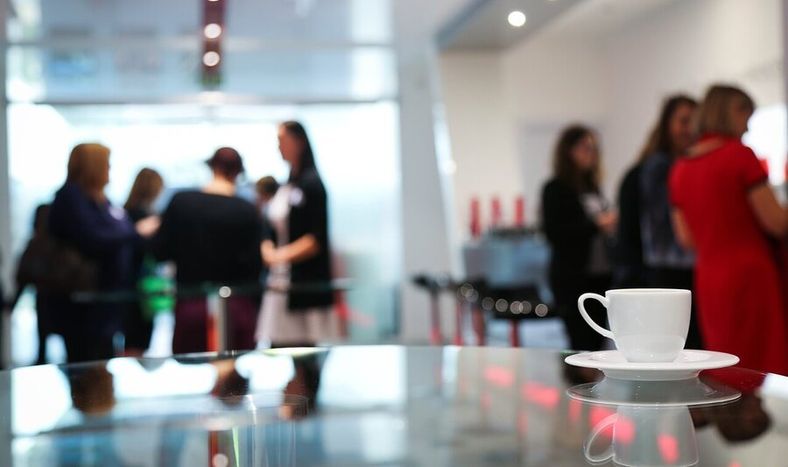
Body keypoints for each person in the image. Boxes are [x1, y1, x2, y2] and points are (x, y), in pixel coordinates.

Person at [670, 84, 788, 375]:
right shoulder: (739, 156)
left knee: (725, 366)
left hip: (710, 277)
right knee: (763, 366)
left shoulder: (681, 169)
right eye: (746, 114)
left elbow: (686, 238)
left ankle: (729, 421)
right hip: (750, 275)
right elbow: (776, 222)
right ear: (732, 111)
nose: (747, 126)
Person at [151, 147, 263, 354]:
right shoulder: (246, 210)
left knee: (190, 372)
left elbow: (160, 251)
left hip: (191, 304)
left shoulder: (181, 202)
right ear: (238, 172)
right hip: (236, 307)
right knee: (233, 377)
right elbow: (255, 266)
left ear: (212, 167)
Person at [48, 143, 152, 363]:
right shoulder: (72, 198)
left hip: (104, 300)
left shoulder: (99, 199)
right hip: (83, 301)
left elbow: (117, 231)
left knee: (101, 362)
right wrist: (135, 232)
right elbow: (93, 238)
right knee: (87, 365)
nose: (109, 170)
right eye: (106, 165)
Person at [615, 95, 703, 349]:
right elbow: (628, 238)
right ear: (666, 124)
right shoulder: (641, 175)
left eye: (695, 122)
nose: (690, 129)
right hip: (656, 283)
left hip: (696, 278)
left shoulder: (695, 169)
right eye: (683, 121)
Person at [256, 121, 336, 347]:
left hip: (303, 284)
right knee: (280, 347)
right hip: (281, 280)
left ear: (299, 142)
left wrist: (279, 256)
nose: (279, 147)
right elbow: (270, 228)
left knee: (304, 352)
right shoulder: (288, 184)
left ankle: (304, 383)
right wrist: (268, 249)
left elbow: (316, 238)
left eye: (282, 141)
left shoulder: (312, 184)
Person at [541, 125, 617, 352]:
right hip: (573, 278)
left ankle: (594, 386)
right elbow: (555, 233)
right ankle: (577, 386)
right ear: (568, 151)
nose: (591, 153)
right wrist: (597, 225)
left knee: (599, 341)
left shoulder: (592, 187)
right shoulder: (555, 189)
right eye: (585, 147)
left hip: (601, 274)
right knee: (581, 343)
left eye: (594, 148)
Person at [122, 168, 164, 356]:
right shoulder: (141, 216)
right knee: (136, 338)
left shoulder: (125, 212)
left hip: (133, 282)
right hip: (138, 284)